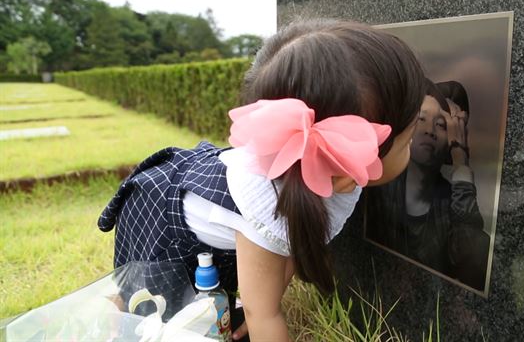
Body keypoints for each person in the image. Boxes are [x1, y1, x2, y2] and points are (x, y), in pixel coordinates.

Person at [97, 19, 428, 340]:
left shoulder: (319, 175)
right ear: (353, 152)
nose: (413, 145)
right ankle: (115, 311)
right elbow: (264, 313)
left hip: (199, 198)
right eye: (408, 138)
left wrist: (261, 300)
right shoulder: (264, 205)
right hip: (163, 222)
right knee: (158, 318)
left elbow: (288, 250)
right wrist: (258, 312)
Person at [366, 80, 489, 291]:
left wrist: (461, 162)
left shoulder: (455, 204)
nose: (430, 131)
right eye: (420, 120)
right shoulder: (378, 186)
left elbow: (473, 269)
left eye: (442, 125)